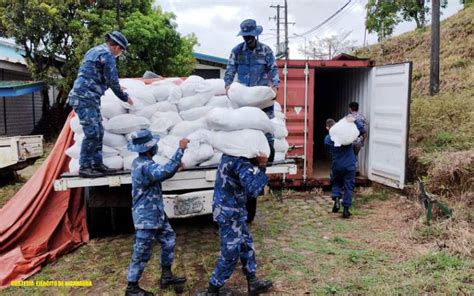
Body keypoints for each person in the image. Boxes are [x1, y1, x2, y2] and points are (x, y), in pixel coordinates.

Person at [199, 153, 273, 296]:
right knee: (230, 252)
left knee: (246, 245)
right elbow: (253, 190)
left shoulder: (228, 155)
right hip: (230, 213)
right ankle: (212, 290)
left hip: (231, 210)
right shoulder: (241, 162)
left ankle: (253, 282)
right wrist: (262, 166)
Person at [125, 129, 188, 296]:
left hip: (156, 213)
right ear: (147, 149)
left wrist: (174, 168)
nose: (156, 147)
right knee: (142, 251)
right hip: (146, 216)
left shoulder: (142, 162)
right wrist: (180, 150)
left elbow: (161, 173)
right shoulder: (144, 165)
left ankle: (166, 275)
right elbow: (162, 172)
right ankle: (132, 288)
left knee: (169, 239)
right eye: (153, 145)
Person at [68, 31, 134, 178]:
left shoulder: (95, 51)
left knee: (99, 131)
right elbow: (112, 80)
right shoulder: (107, 55)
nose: (120, 53)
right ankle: (85, 167)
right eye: (121, 50)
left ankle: (97, 165)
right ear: (116, 47)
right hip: (84, 98)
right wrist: (125, 97)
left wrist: (112, 86)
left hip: (89, 97)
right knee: (92, 133)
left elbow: (94, 74)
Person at [224, 19, 280, 162]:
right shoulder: (237, 51)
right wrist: (228, 84)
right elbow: (230, 68)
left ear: (255, 35)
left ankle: (268, 155)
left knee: (266, 125)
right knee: (243, 126)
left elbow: (273, 68)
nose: (247, 39)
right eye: (245, 36)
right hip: (244, 97)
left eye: (250, 36)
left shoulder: (266, 50)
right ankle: (246, 155)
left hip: (261, 97)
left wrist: (275, 85)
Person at [324, 118, 365, 219]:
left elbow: (326, 143)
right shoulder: (348, 136)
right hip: (350, 165)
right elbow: (362, 131)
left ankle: (337, 199)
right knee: (348, 186)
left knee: (336, 182)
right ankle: (346, 210)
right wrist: (353, 121)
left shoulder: (329, 138)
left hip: (337, 165)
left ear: (327, 128)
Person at [348, 102, 367, 173]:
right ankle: (356, 170)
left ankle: (351, 170)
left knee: (349, 155)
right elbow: (365, 130)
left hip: (351, 139)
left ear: (350, 108)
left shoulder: (348, 117)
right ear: (357, 108)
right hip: (359, 139)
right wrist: (363, 140)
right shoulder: (362, 117)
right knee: (355, 154)